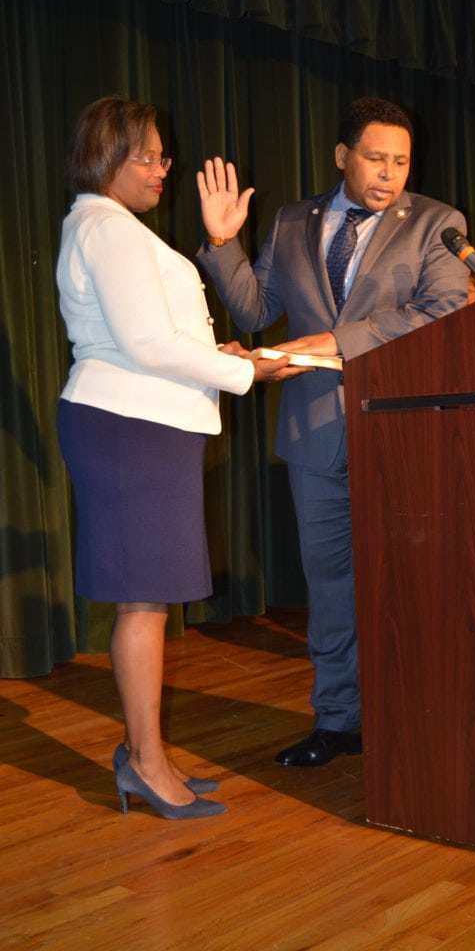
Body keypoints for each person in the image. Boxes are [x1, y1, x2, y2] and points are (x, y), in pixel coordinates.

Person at [196, 97, 469, 767]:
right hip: (315, 434)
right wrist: (224, 243)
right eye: (375, 158)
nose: (388, 173)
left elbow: (446, 308)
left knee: (416, 581)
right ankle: (339, 723)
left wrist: (341, 341)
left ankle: (424, 719)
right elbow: (257, 311)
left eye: (401, 162)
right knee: (331, 587)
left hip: (406, 431)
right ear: (342, 155)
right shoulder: (292, 221)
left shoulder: (437, 223)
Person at [56, 96, 288, 819]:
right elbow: (146, 346)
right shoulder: (106, 227)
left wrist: (214, 355)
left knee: (148, 599)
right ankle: (146, 766)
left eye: (163, 155)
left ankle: (145, 752)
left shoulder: (108, 228)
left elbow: (154, 338)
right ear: (106, 156)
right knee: (143, 602)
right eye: (148, 156)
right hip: (128, 425)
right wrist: (249, 371)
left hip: (141, 420)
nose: (163, 168)